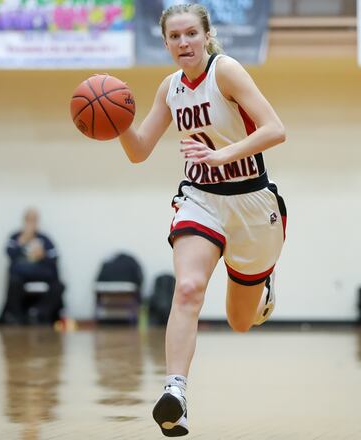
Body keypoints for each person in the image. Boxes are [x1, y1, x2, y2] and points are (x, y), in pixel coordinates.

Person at [116, 4, 287, 436]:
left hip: (251, 201)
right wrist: (117, 122)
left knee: (239, 322)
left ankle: (261, 283)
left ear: (206, 36)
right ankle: (176, 392)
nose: (183, 43)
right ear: (166, 43)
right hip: (201, 198)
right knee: (188, 287)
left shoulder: (225, 71)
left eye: (191, 33)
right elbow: (138, 151)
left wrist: (221, 154)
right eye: (174, 37)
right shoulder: (169, 88)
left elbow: (274, 129)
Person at [0, 208, 64, 325]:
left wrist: (43, 255)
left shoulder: (45, 239)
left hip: (41, 273)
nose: (32, 223)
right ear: (24, 220)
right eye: (29, 220)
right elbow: (9, 254)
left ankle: (38, 313)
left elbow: (55, 258)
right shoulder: (15, 237)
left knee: (58, 285)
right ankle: (16, 316)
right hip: (22, 274)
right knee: (14, 281)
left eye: (34, 220)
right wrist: (22, 242)